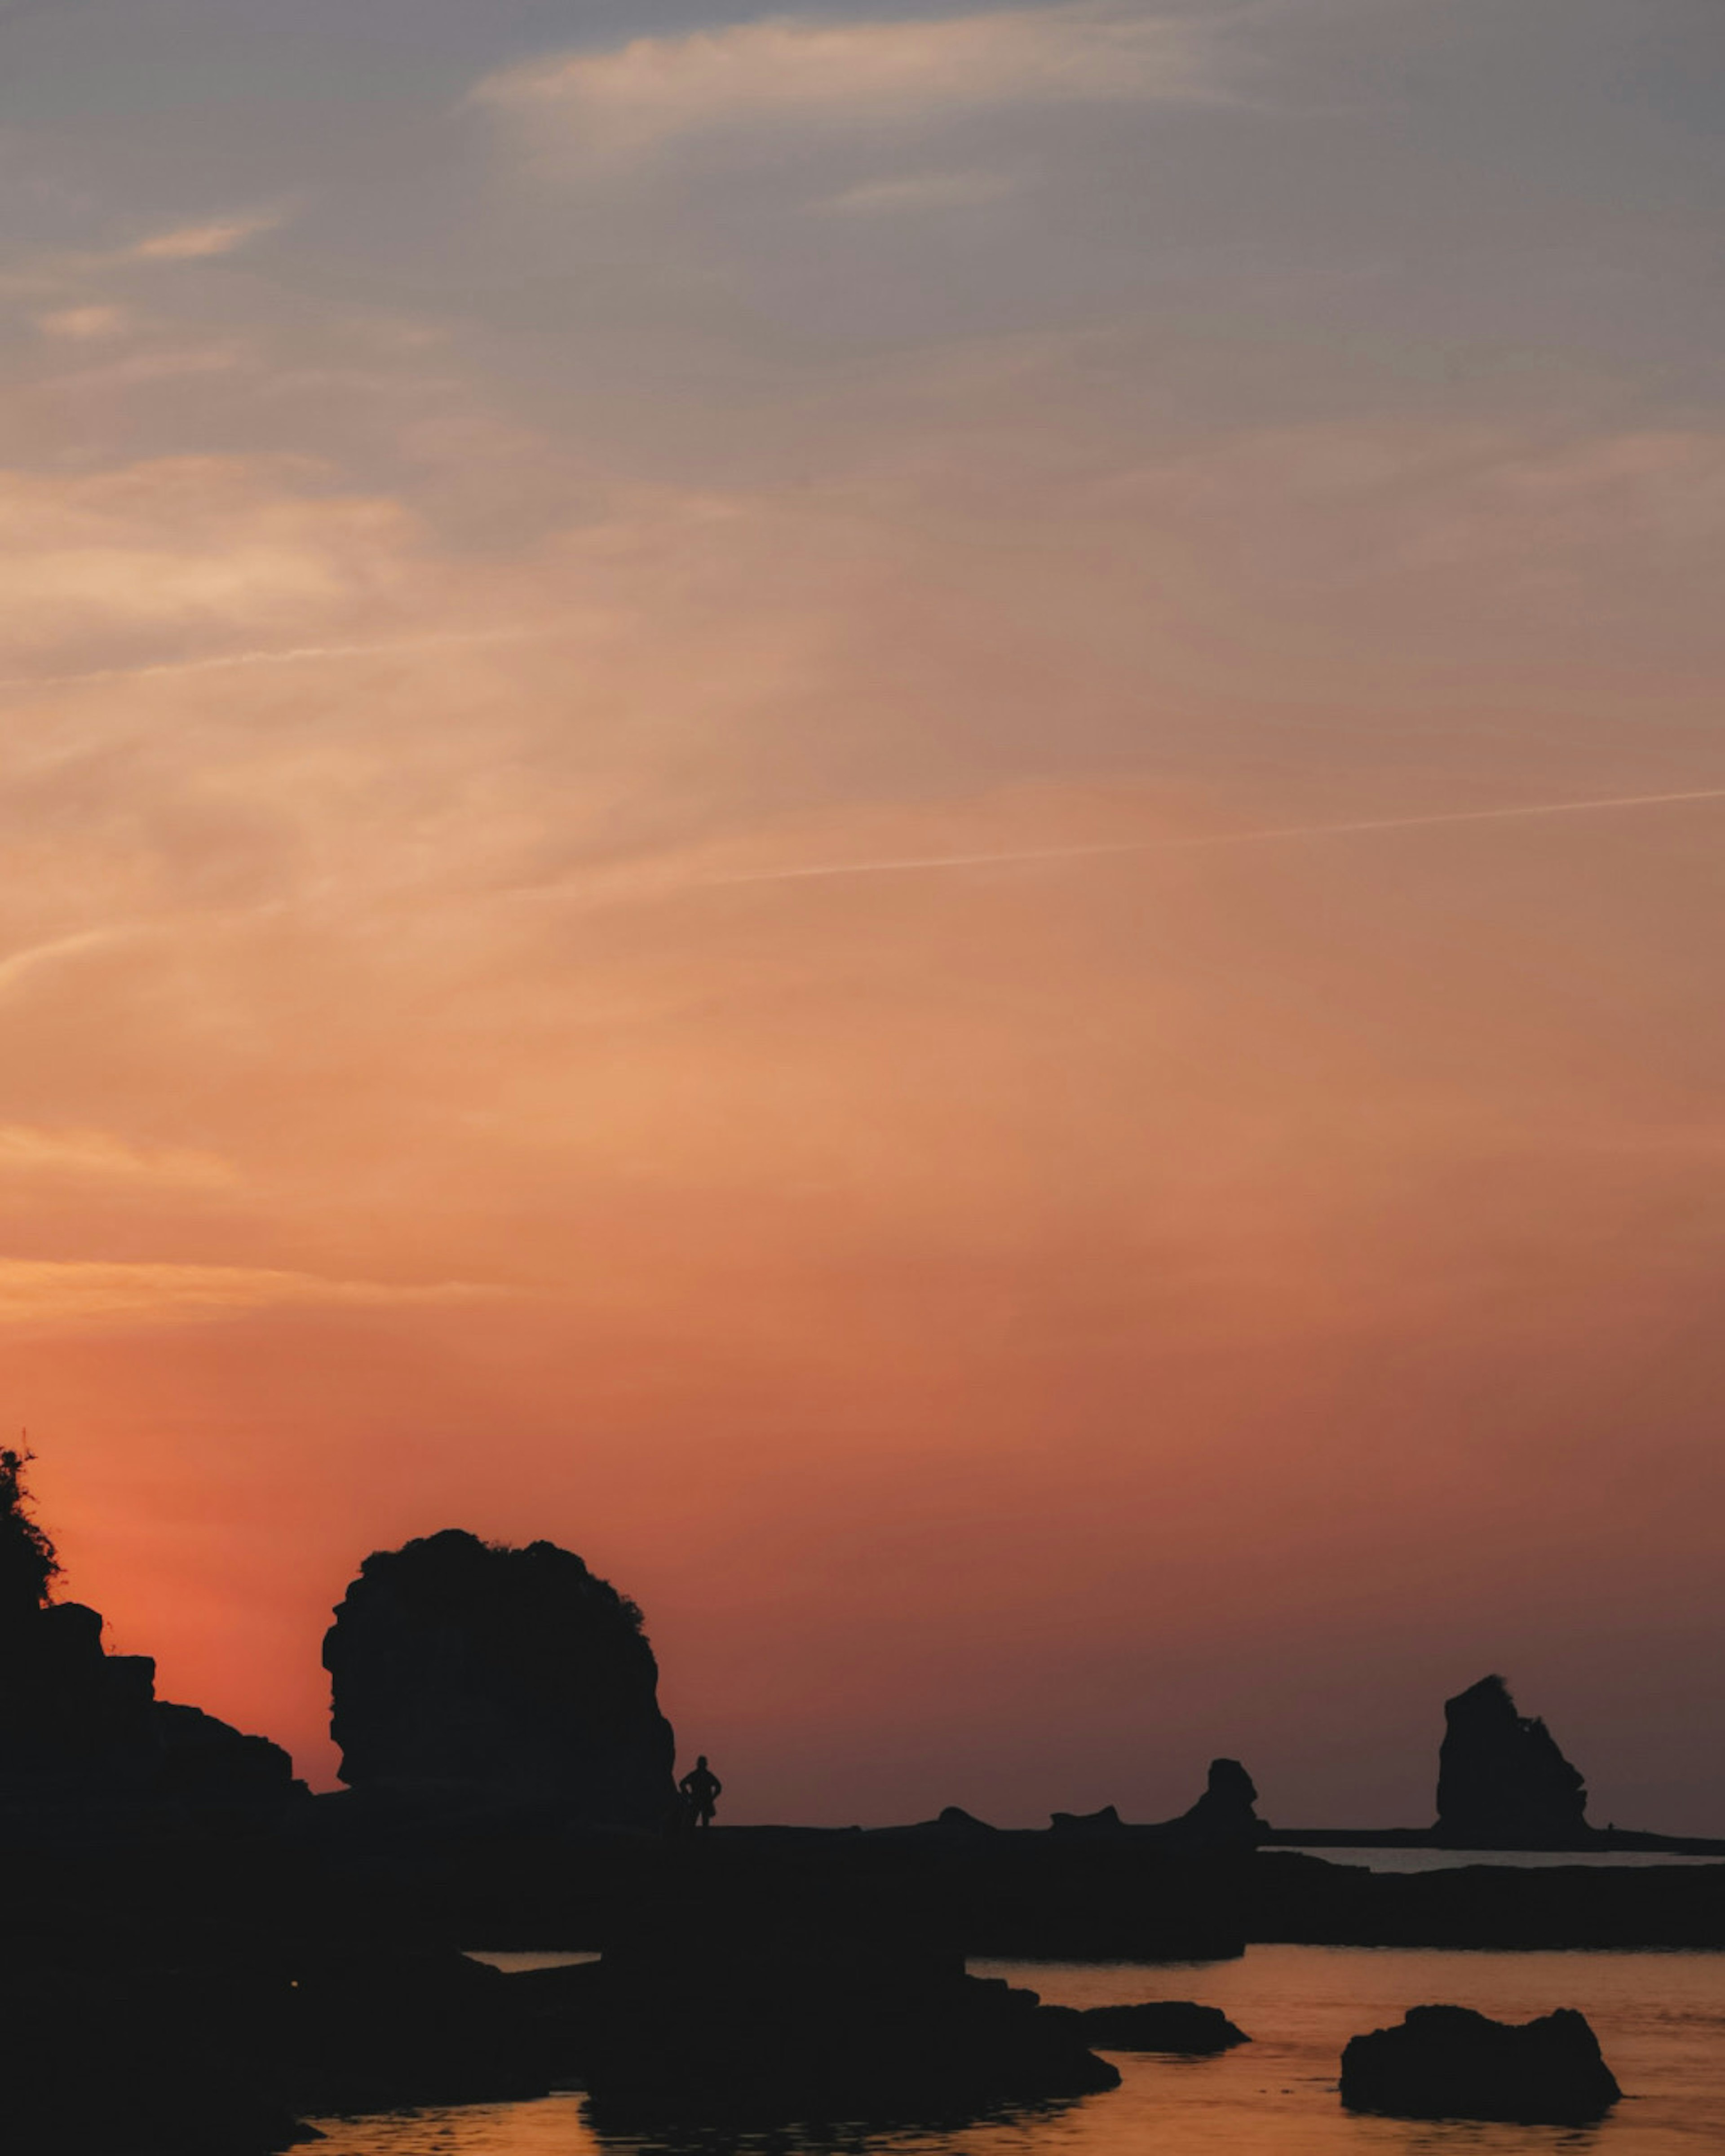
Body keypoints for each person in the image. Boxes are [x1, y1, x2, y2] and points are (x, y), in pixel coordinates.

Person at [678, 1754, 722, 1830]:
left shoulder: (703, 1775)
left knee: (703, 1822)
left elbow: (719, 1787)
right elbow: (682, 1784)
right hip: (698, 1800)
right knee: (694, 1821)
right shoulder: (700, 1775)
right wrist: (688, 1795)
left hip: (703, 1801)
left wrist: (712, 1798)